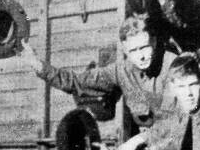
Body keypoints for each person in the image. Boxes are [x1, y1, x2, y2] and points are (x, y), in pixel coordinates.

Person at [19, 15, 172, 129]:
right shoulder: (121, 71)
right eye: (133, 50)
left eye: (144, 47)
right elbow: (77, 81)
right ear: (125, 50)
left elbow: (180, 124)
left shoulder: (172, 66)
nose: (141, 56)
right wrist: (37, 65)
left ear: (154, 42)